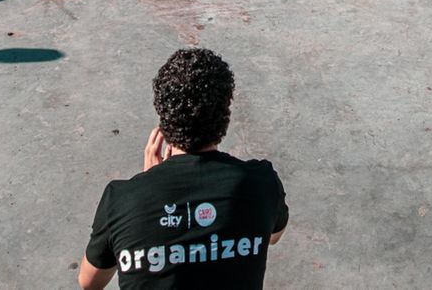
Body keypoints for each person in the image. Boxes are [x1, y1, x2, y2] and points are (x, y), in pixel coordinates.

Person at [77, 47, 288, 290]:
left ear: (162, 116)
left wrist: (148, 186)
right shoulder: (261, 185)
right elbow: (272, 236)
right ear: (225, 115)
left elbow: (89, 282)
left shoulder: (122, 199)